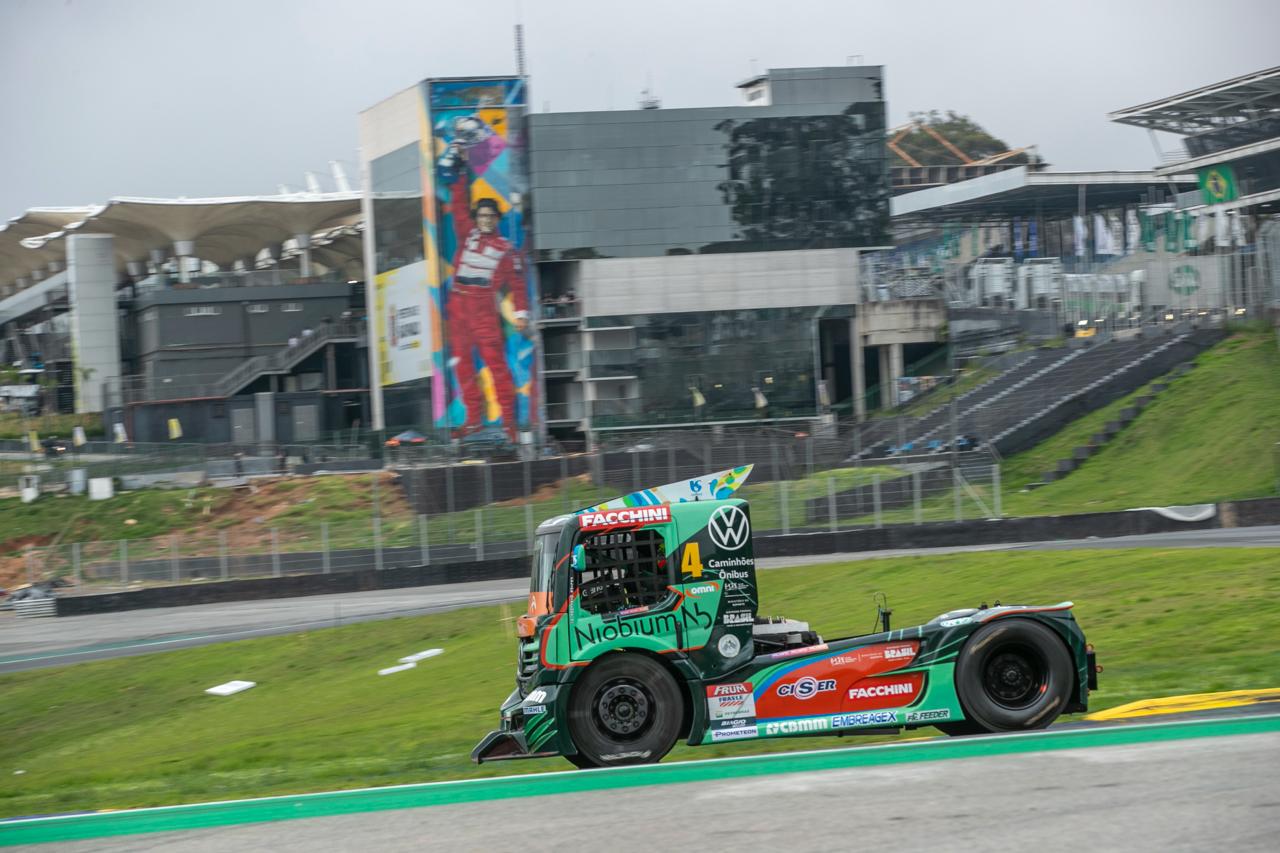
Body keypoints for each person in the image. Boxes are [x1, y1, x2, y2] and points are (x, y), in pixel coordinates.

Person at [445, 137, 530, 441]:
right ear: (476, 217)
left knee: (496, 365)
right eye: (480, 215)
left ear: (496, 219)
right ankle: (473, 420)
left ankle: (509, 424)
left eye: (489, 216)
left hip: (482, 307)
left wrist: (521, 314)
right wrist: (461, 169)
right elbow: (457, 205)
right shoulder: (467, 233)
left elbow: (518, 285)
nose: (484, 220)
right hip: (458, 304)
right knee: (462, 365)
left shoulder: (506, 249)